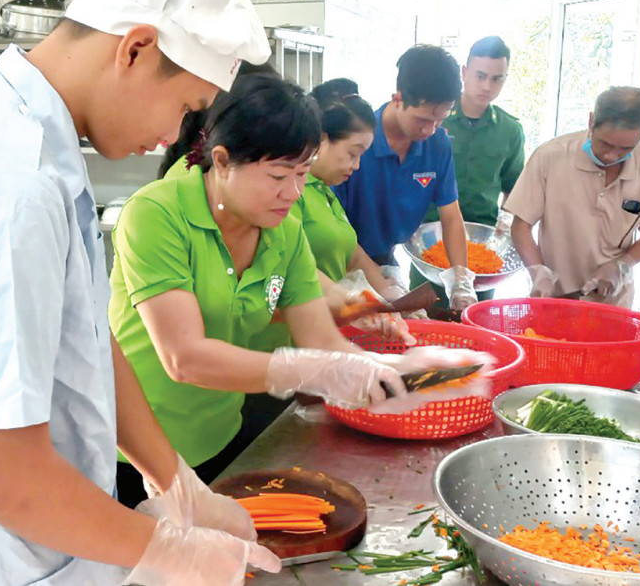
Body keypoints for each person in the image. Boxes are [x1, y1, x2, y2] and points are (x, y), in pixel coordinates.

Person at [0, 0, 286, 584]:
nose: (174, 135)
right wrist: (169, 551)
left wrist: (172, 478)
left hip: (47, 538)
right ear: (135, 49)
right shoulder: (9, 184)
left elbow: (81, 331)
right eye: (184, 106)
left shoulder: (34, 137)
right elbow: (4, 476)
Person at [109, 73, 477, 508]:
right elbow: (184, 357)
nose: (294, 192)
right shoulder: (155, 214)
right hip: (135, 453)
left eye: (303, 173)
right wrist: (309, 371)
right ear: (223, 161)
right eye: (279, 175)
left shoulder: (283, 231)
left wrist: (407, 373)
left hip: (222, 436)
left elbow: (319, 338)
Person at [333, 45, 477, 311]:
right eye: (422, 119)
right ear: (397, 98)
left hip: (385, 259)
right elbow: (334, 231)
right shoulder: (357, 144)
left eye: (440, 120)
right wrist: (380, 286)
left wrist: (460, 278)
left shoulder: (438, 144)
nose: (430, 130)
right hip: (337, 260)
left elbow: (451, 215)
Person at [506, 86, 640, 308]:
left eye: (625, 149)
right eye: (605, 143)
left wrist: (621, 266)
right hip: (556, 298)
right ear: (591, 121)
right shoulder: (550, 157)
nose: (611, 155)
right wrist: (539, 273)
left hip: (614, 303)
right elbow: (521, 225)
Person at [292, 80, 417, 341]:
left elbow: (354, 255)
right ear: (322, 140)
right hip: (298, 333)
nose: (357, 165)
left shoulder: (326, 193)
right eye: (352, 153)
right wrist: (352, 302)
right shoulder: (293, 192)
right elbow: (290, 265)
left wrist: (390, 294)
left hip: (330, 330)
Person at [411, 36, 525, 303]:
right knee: (423, 320)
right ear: (464, 72)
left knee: (474, 323)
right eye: (480, 75)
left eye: (497, 79)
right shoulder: (433, 120)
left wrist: (505, 224)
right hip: (429, 241)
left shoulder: (510, 130)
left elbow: (514, 187)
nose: (487, 86)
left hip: (481, 245)